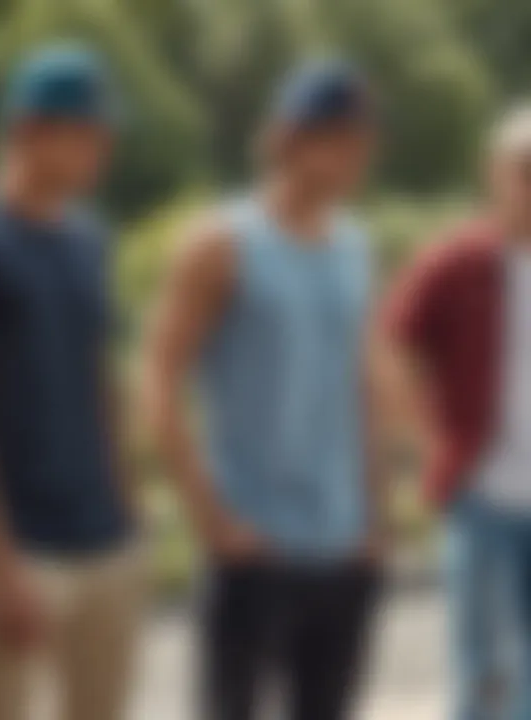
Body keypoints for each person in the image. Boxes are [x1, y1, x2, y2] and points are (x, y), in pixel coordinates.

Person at [143, 61, 382, 720]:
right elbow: (159, 376)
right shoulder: (220, 243)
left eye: (362, 138)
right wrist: (210, 519)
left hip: (341, 545)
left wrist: (376, 520)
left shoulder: (356, 247)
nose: (356, 154)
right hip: (255, 546)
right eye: (338, 137)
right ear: (288, 138)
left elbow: (360, 380)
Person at [0, 44, 144, 720]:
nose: (101, 148)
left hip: (104, 540)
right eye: (85, 131)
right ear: (27, 132)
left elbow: (100, 379)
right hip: (20, 549)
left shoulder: (89, 239)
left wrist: (131, 513)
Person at [383, 106, 531, 720]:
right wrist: (427, 442)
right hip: (484, 501)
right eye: (525, 170)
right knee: (487, 673)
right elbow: (389, 346)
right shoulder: (458, 263)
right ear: (493, 175)